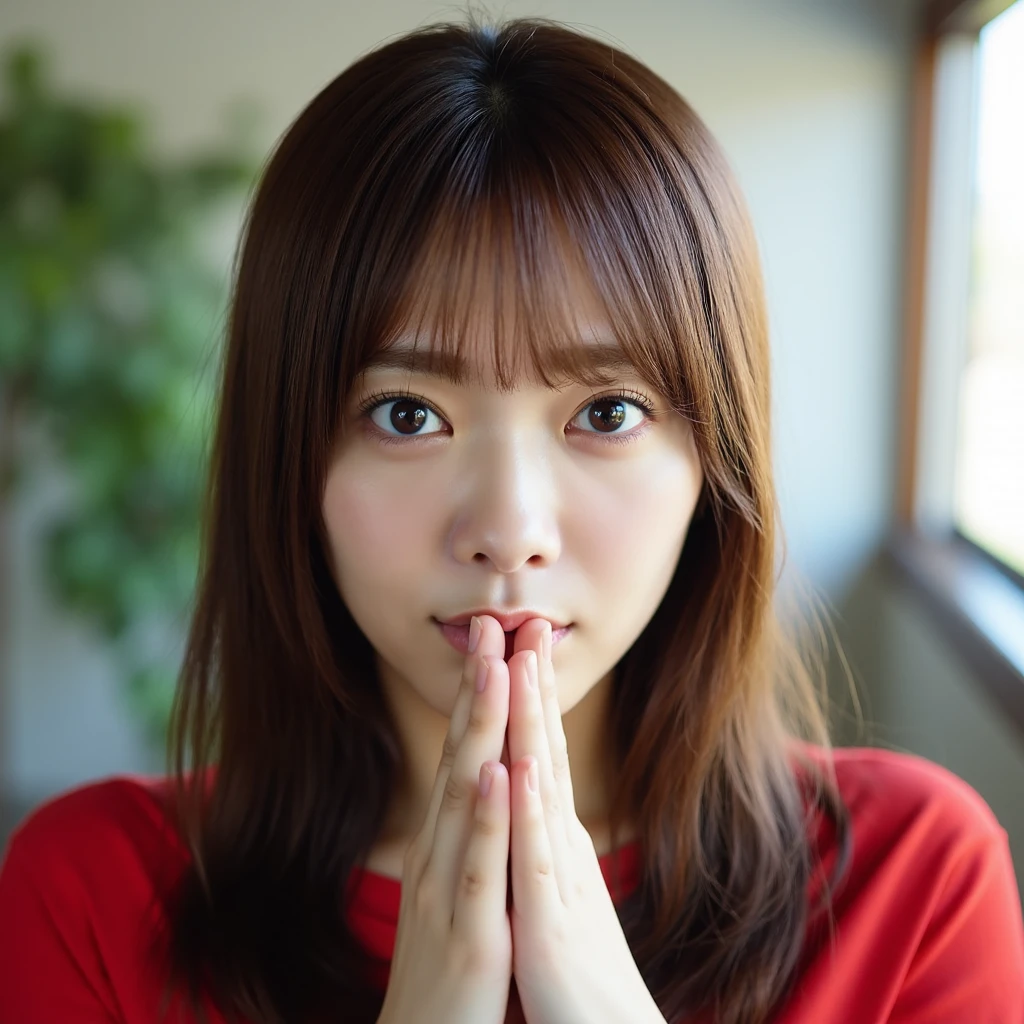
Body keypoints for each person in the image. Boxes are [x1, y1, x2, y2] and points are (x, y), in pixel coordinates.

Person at [1, 12, 1022, 1024]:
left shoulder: (908, 881)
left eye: (604, 413)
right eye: (408, 415)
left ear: (714, 462)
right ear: (289, 460)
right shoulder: (95, 895)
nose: (507, 528)